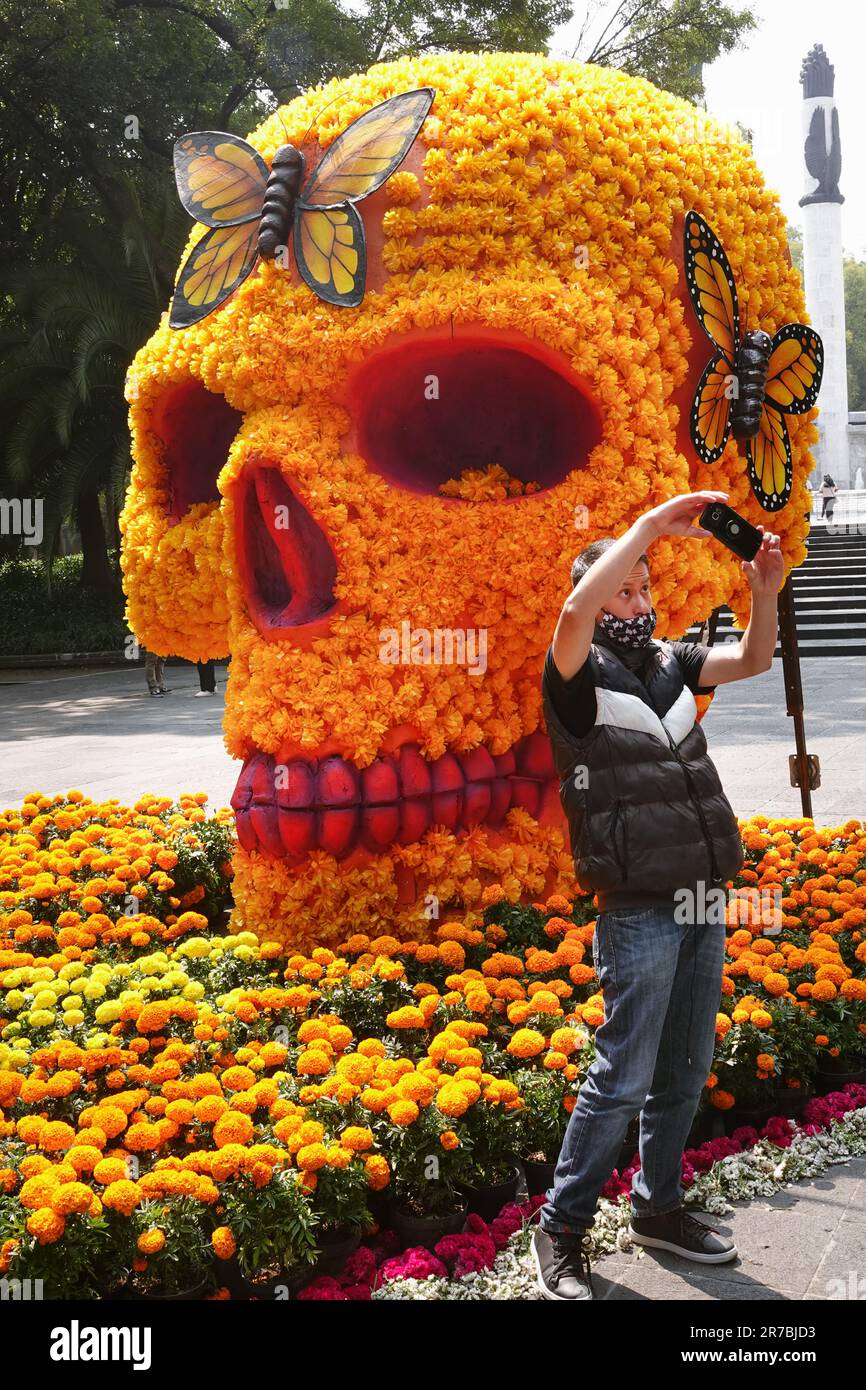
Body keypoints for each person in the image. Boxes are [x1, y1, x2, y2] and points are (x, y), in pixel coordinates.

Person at [530, 490, 783, 1301]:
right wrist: (648, 526)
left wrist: (765, 591)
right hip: (636, 902)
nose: (636, 601)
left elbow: (752, 660)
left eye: (644, 587)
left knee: (685, 1064)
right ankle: (561, 1229)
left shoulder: (671, 662)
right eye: (624, 589)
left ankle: (658, 1207)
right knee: (623, 1074)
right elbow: (574, 608)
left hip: (702, 893)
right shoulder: (572, 678)